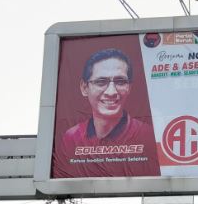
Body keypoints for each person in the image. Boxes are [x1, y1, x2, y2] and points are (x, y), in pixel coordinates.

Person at [57, 48, 160, 177]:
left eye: (120, 82)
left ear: (129, 88)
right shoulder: (71, 138)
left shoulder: (148, 136)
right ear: (84, 88)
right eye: (101, 82)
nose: (111, 92)